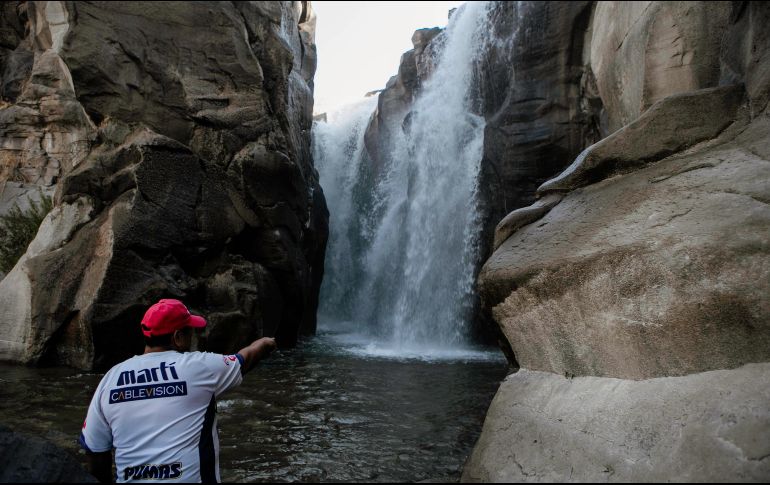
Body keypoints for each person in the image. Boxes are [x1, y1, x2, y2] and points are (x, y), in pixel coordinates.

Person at [79, 298, 276, 483]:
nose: (193, 337)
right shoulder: (199, 367)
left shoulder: (111, 379)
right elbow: (245, 359)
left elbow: (95, 452)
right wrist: (264, 344)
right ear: (178, 337)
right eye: (190, 332)